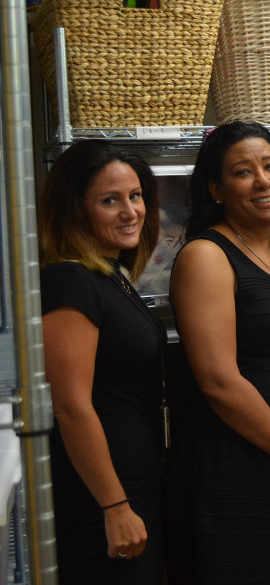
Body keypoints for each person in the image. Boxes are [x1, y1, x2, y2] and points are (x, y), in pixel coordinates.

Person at [163, 122, 270, 584]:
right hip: (233, 465)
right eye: (243, 172)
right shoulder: (206, 256)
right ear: (217, 189)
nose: (263, 180)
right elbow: (219, 381)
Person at [39, 140, 166, 584]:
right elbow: (69, 405)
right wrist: (114, 506)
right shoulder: (69, 281)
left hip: (132, 485)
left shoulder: (109, 275)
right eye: (109, 200)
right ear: (76, 211)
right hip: (100, 499)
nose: (130, 211)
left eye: (135, 196)